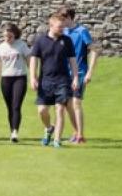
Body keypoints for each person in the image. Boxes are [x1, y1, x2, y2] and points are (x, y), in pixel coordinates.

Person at [27, 12, 79, 148]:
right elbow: (34, 60)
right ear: (51, 26)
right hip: (45, 81)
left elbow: (72, 60)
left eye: (63, 27)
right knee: (42, 110)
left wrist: (75, 77)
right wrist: (32, 77)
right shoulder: (40, 41)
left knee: (60, 109)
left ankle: (57, 140)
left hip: (63, 81)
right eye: (59, 27)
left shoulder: (67, 41)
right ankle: (49, 128)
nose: (62, 29)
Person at [61, 7, 97, 144]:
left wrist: (90, 72)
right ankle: (76, 132)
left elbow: (94, 50)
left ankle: (80, 136)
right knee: (67, 104)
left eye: (63, 19)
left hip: (80, 72)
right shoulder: (62, 32)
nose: (61, 22)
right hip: (65, 73)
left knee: (76, 102)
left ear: (69, 17)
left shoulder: (82, 31)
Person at [0, 23, 30, 143]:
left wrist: (34, 77)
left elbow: (30, 62)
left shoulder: (22, 45)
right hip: (6, 79)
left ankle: (15, 132)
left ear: (15, 34)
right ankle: (12, 130)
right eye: (5, 36)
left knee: (16, 105)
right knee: (10, 107)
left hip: (19, 78)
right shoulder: (0, 48)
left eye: (10, 36)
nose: (7, 39)